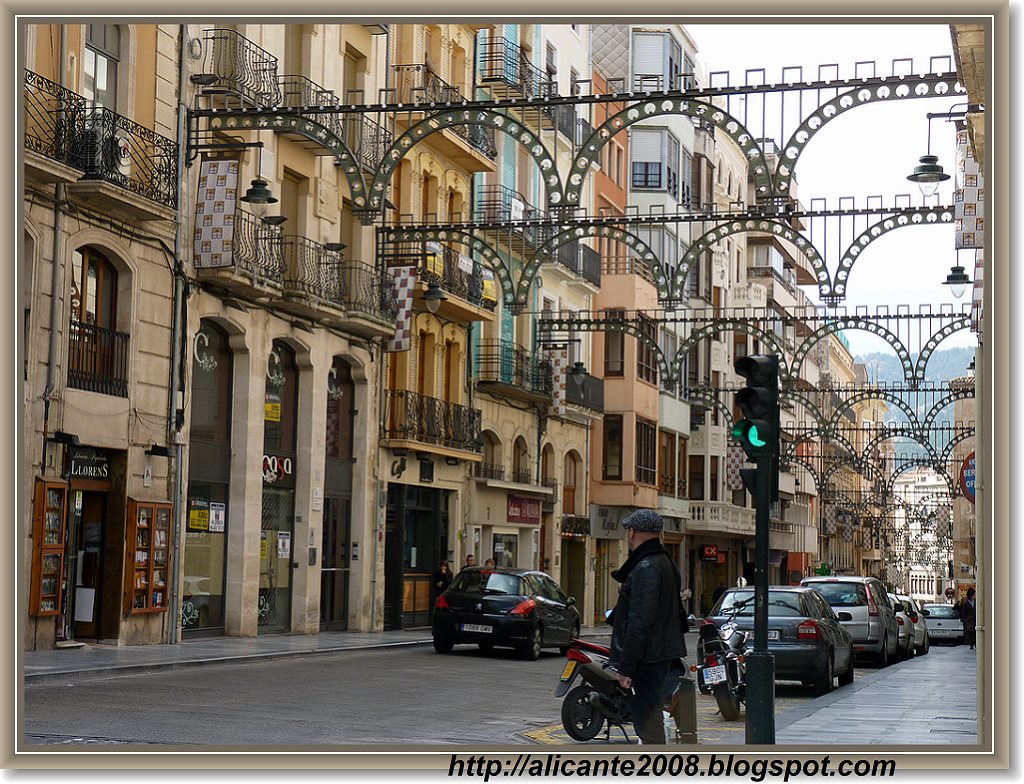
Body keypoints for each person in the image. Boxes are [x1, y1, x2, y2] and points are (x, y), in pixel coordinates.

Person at [608, 509, 687, 745]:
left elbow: (640, 622)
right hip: (659, 654)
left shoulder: (645, 568)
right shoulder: (664, 562)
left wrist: (626, 668)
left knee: (647, 721)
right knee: (650, 718)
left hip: (648, 658)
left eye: (627, 531)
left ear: (632, 532)